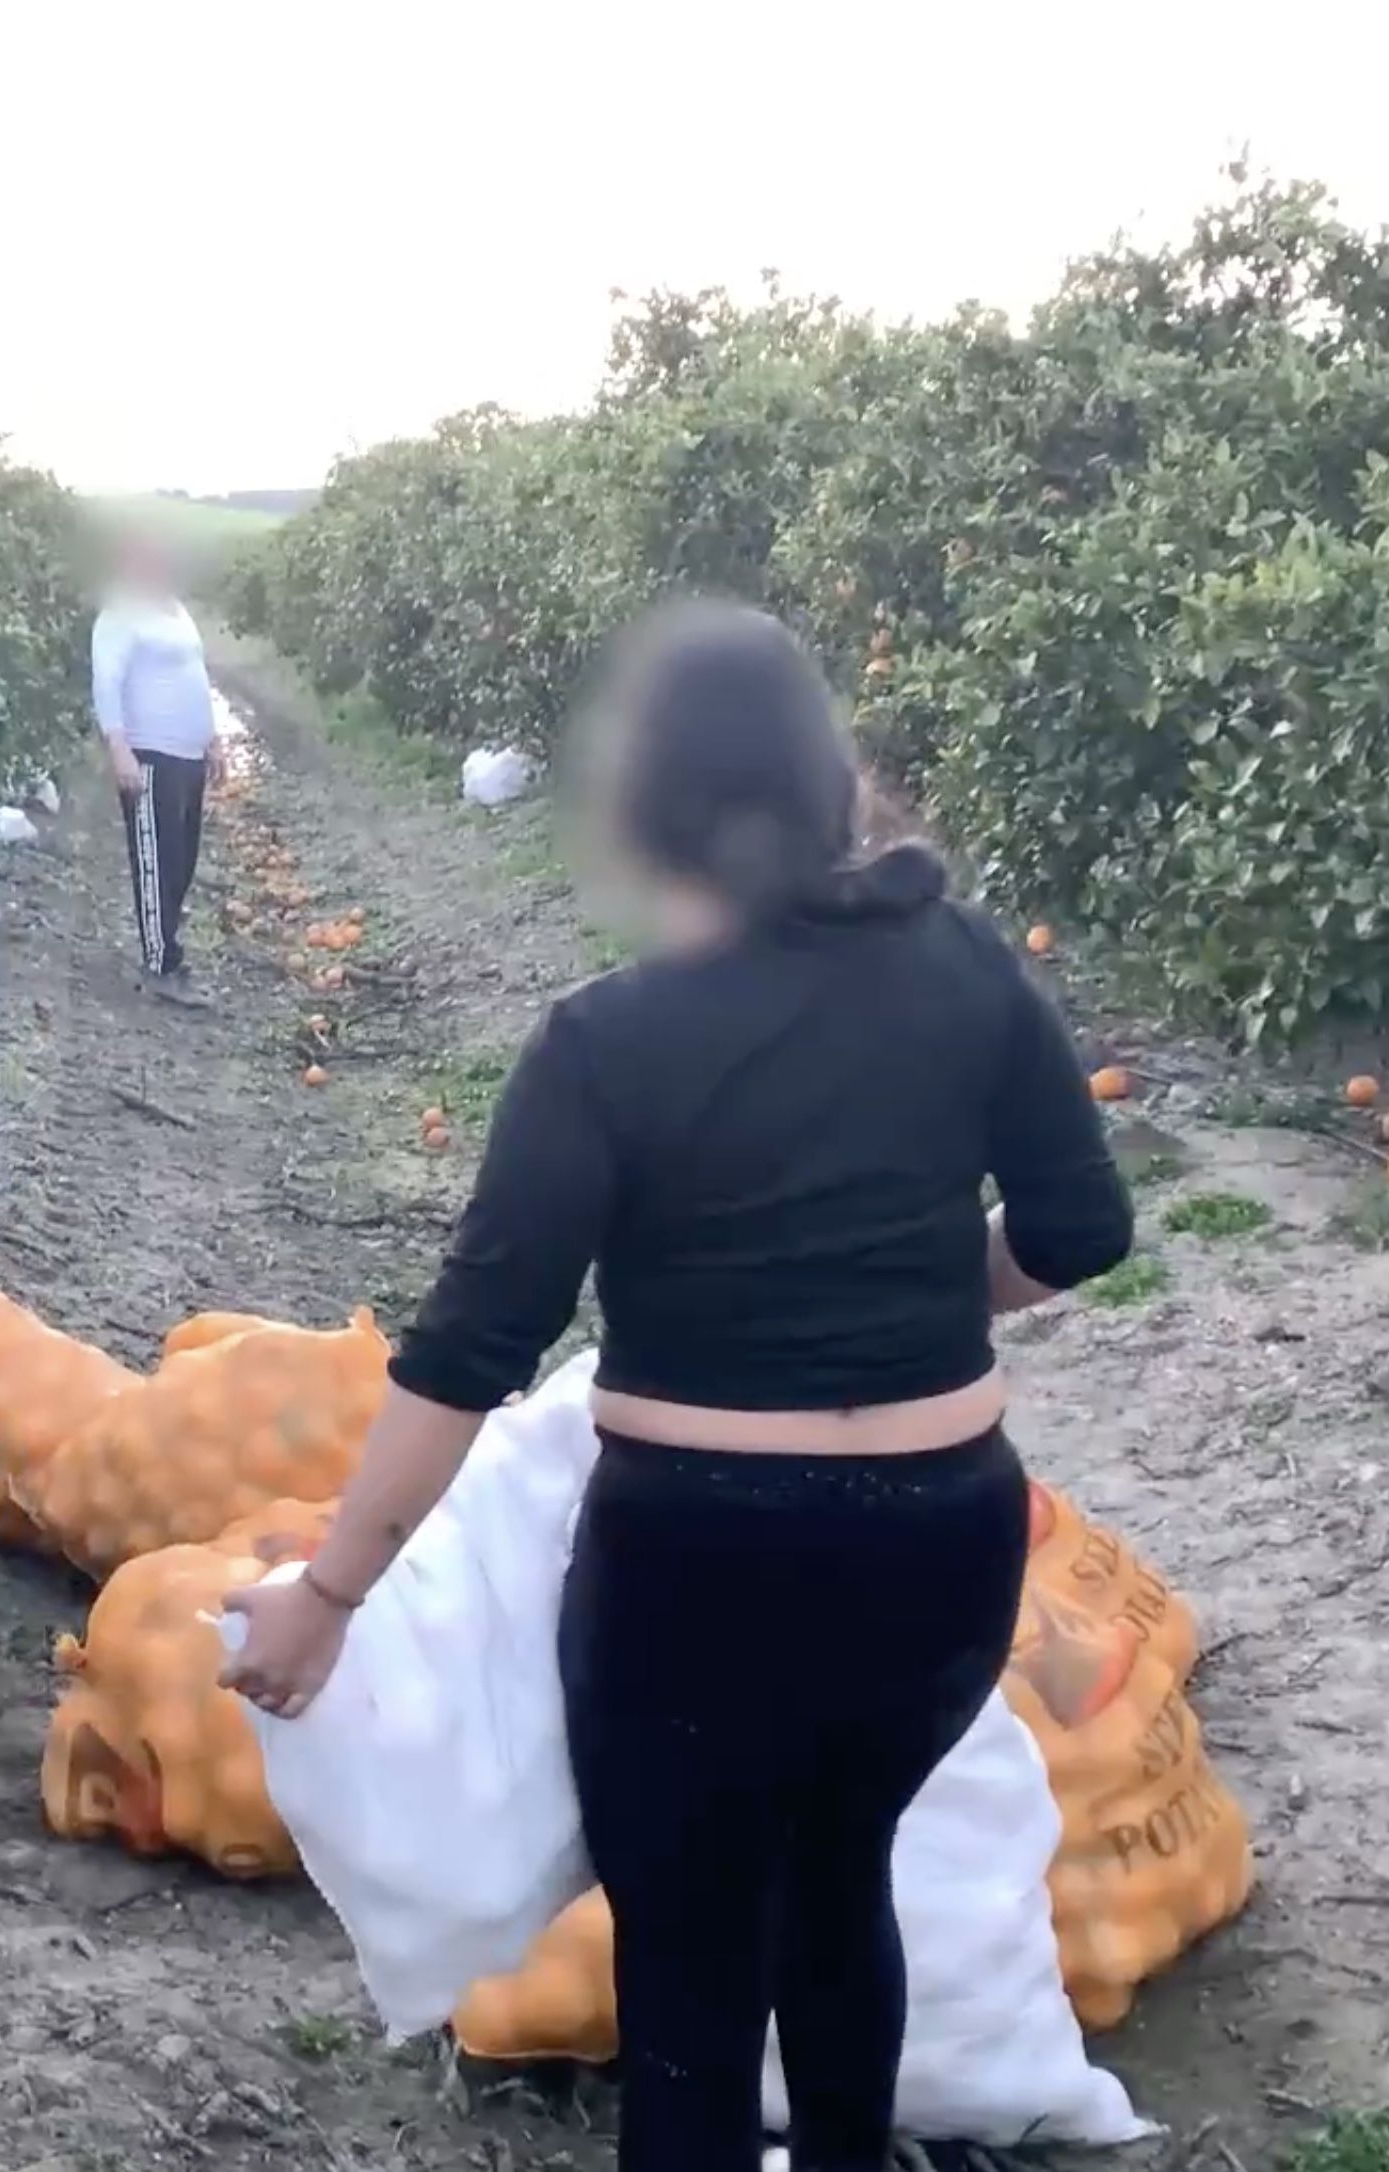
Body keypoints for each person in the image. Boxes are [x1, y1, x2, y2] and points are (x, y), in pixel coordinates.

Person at [221, 603, 1135, 2172]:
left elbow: (474, 1345)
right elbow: (1080, 1229)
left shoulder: (607, 1042)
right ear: (824, 779)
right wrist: (935, 1295)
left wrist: (332, 1591)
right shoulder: (967, 967)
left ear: (649, 811)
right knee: (841, 1883)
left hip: (701, 1561)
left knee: (694, 1954)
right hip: (938, 1544)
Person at [89, 527, 224, 999]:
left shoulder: (177, 611)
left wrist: (212, 740)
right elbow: (106, 680)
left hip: (188, 756)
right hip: (150, 754)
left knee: (182, 860)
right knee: (156, 863)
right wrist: (118, 747)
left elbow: (195, 674)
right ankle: (161, 964)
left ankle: (167, 946)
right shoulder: (120, 614)